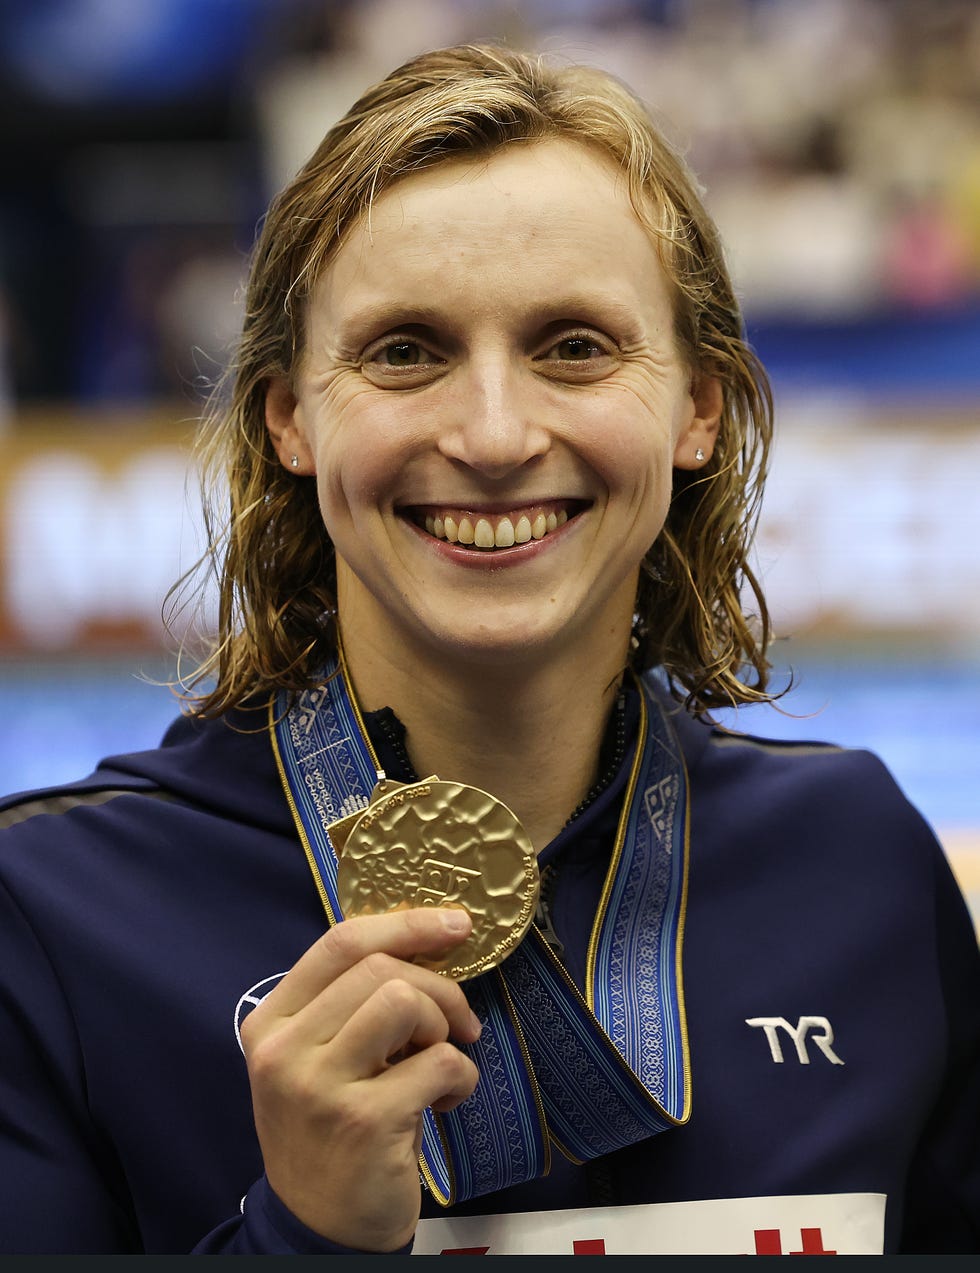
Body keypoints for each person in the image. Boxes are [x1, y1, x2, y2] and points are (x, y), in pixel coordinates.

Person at [0, 43, 977, 1257]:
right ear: (290, 417)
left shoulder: (858, 865)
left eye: (572, 345)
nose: (495, 433)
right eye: (405, 351)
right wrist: (297, 1237)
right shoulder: (53, 919)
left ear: (698, 407)